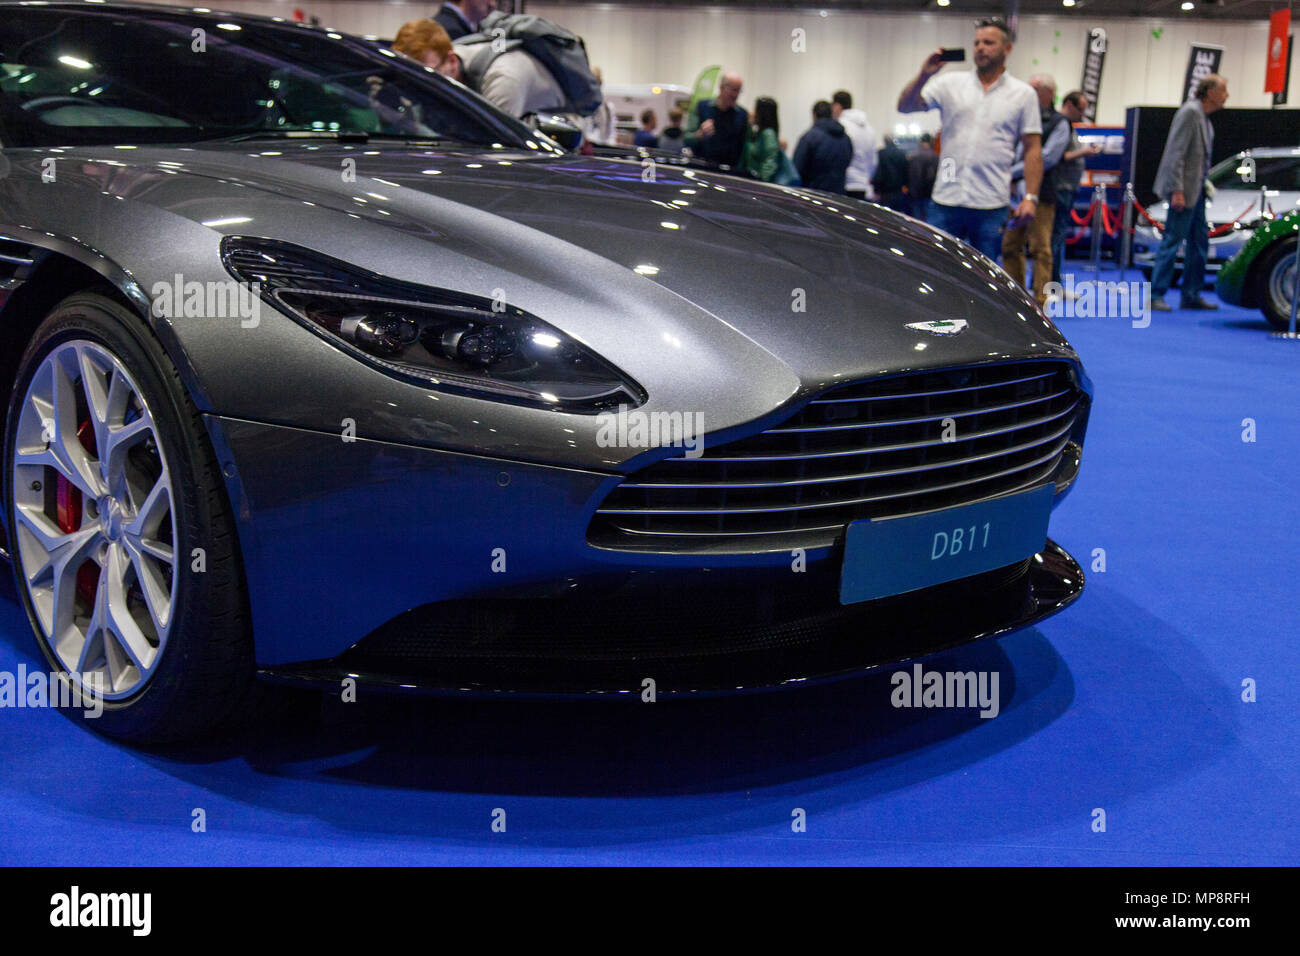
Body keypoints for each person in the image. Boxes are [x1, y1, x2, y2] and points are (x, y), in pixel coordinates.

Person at [897, 17, 1042, 260]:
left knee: (986, 279)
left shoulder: (1023, 94)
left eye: (988, 43)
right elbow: (906, 106)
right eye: (976, 43)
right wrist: (925, 74)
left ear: (1007, 49)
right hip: (945, 200)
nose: (980, 48)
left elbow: (1033, 149)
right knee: (935, 268)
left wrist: (1030, 198)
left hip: (991, 204)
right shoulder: (949, 84)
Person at [1149, 74, 1229, 311]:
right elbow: (1176, 153)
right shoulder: (1190, 112)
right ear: (1210, 92)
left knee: (1199, 243)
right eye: (1223, 90)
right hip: (1184, 192)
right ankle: (1156, 294)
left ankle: (1191, 293)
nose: (1227, 95)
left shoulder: (1203, 117)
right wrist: (1177, 190)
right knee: (1173, 241)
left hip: (1197, 191)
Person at [392, 18, 565, 121]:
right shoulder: (450, 58)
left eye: (429, 74)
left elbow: (498, 154)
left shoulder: (502, 79)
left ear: (451, 61)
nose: (421, 87)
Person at [1002, 73, 1070, 306]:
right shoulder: (1018, 116)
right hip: (1013, 194)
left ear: (1049, 93)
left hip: (1042, 194)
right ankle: (1015, 297)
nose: (1028, 92)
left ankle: (1041, 300)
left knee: (1041, 248)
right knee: (1010, 246)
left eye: (1035, 88)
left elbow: (1047, 158)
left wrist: (1009, 172)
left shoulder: (1059, 122)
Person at [1050, 91, 1103, 288]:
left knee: (1057, 238)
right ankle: (1051, 283)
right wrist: (1085, 151)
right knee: (1055, 238)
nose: (1083, 114)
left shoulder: (1066, 125)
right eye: (1081, 109)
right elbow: (1059, 156)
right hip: (1060, 189)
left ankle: (1054, 282)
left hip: (1065, 189)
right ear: (1069, 105)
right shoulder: (1062, 125)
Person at [685, 72, 748, 168]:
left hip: (729, 172)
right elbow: (686, 138)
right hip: (701, 168)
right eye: (733, 90)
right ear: (721, 88)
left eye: (739, 91)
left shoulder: (743, 115)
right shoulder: (701, 106)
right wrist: (700, 135)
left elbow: (744, 149)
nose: (735, 95)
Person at [793, 100, 852, 193]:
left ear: (814, 115)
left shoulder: (810, 137)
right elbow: (848, 162)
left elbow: (797, 168)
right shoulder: (846, 138)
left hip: (813, 194)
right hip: (838, 195)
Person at [831, 90, 877, 200]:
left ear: (837, 106)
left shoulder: (839, 126)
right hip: (862, 185)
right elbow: (873, 161)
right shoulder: (869, 129)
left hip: (844, 184)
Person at [741, 96, 782, 182]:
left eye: (755, 109)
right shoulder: (759, 134)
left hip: (757, 183)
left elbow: (769, 161)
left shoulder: (768, 134)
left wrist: (762, 182)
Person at [872, 135, 910, 213]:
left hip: (884, 191)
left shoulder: (881, 153)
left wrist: (876, 188)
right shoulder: (901, 154)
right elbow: (906, 172)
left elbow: (878, 171)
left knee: (883, 214)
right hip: (898, 190)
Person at [908, 133, 940, 221]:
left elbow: (912, 176)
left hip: (916, 195)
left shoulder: (914, 156)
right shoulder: (936, 157)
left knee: (917, 222)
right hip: (930, 194)